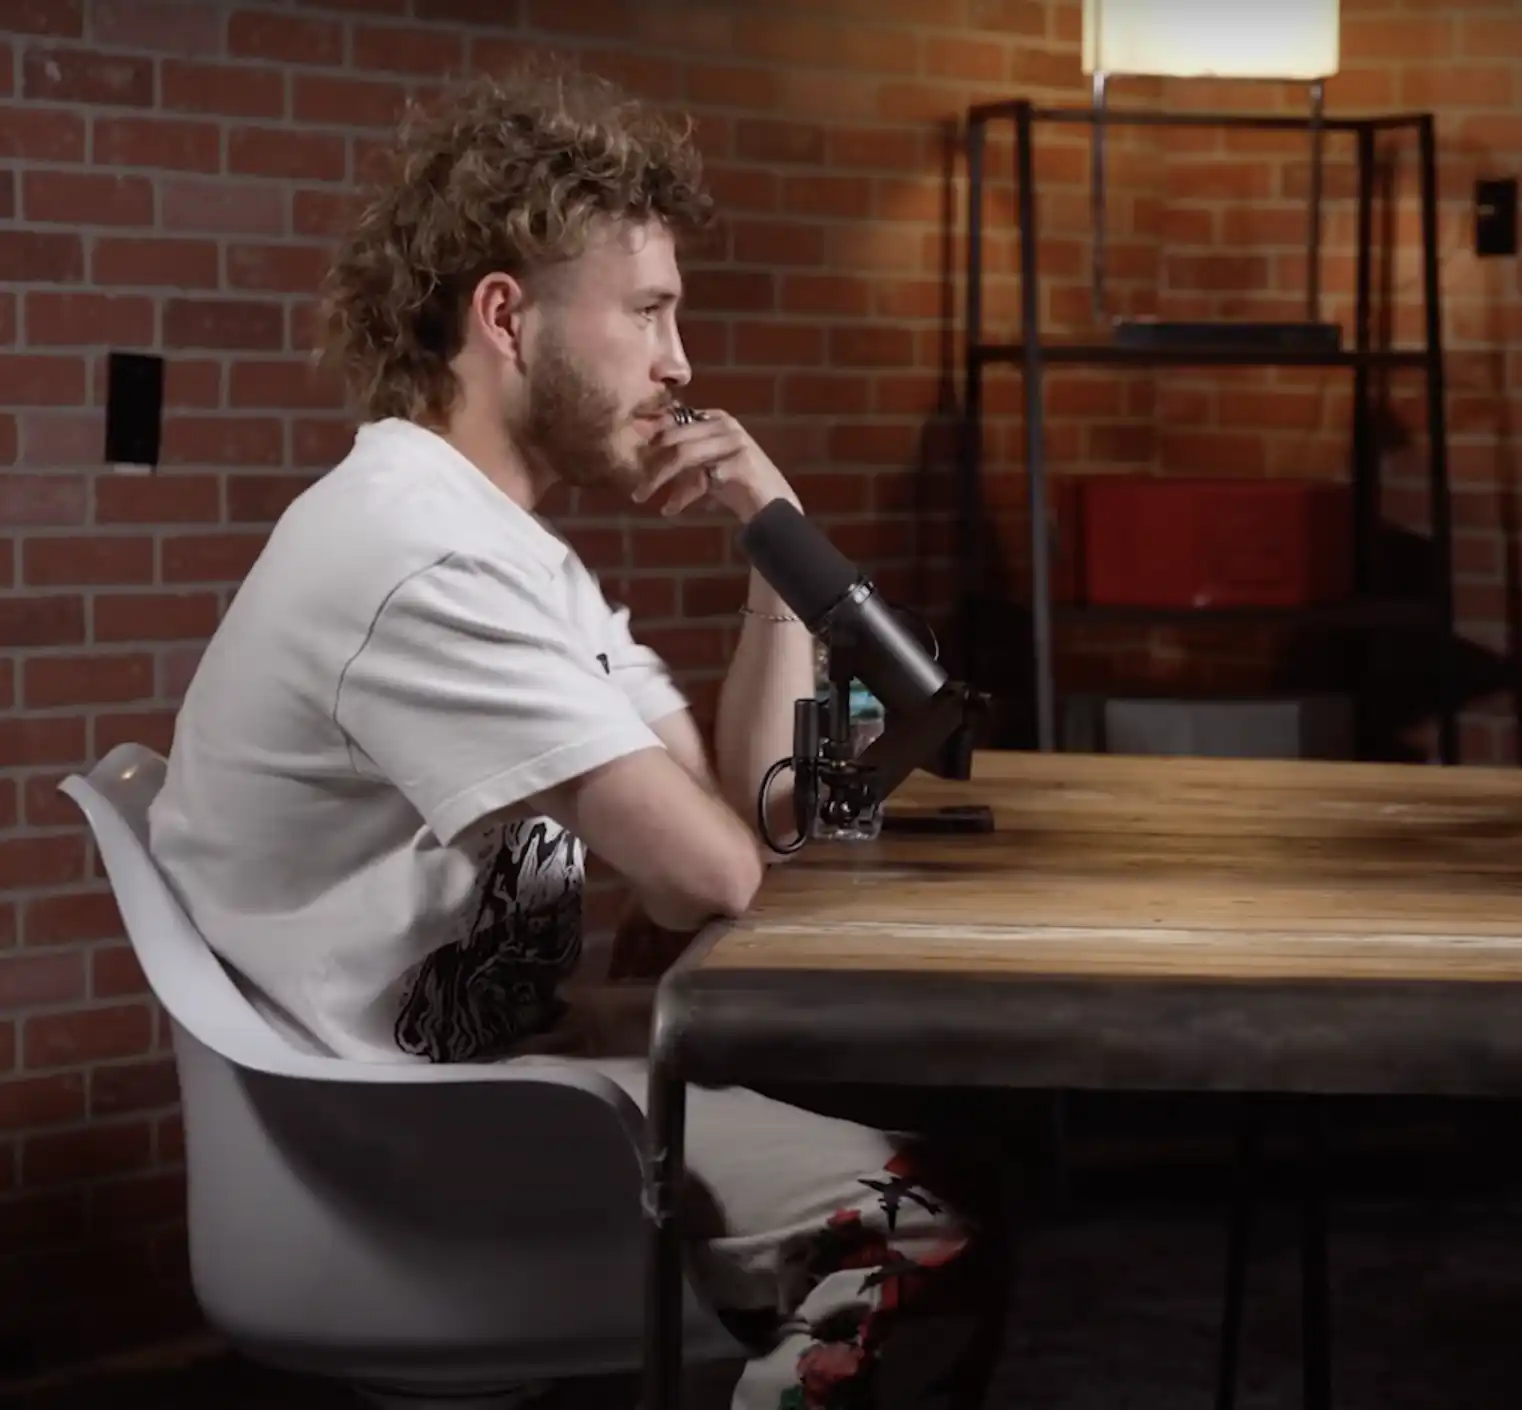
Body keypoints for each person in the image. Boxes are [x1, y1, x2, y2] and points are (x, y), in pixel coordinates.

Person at [147, 64, 1005, 1409]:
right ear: (507, 317)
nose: (681, 363)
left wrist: (772, 542)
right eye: (648, 311)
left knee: (898, 1137)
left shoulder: (504, 554)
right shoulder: (421, 560)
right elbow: (715, 876)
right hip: (398, 1145)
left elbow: (739, 815)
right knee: (926, 1232)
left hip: (467, 1084)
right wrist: (722, 850)